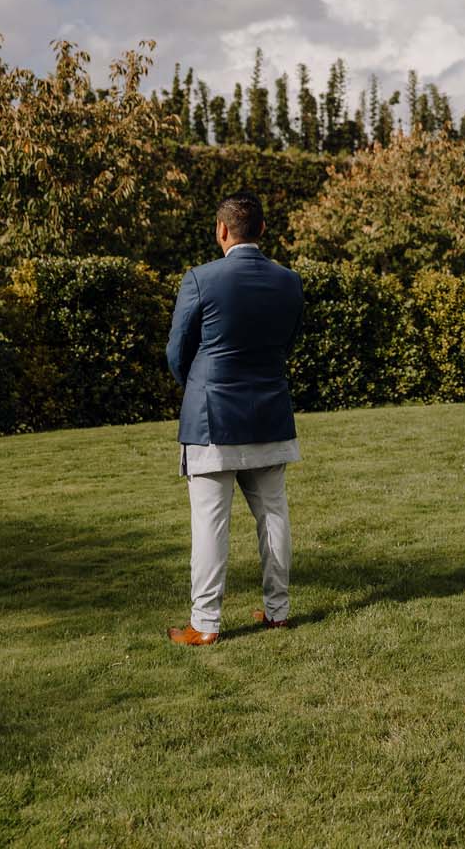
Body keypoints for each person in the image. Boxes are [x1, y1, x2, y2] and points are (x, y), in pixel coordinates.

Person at [164, 192, 306, 646]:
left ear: (221, 230)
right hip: (269, 410)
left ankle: (205, 625)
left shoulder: (200, 279)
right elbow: (287, 344)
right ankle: (278, 612)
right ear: (262, 230)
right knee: (273, 515)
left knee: (210, 522)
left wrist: (200, 384)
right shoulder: (290, 281)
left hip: (211, 419)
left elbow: (176, 352)